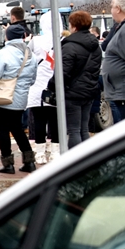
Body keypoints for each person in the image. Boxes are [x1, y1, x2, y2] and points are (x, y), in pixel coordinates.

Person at [0, 6, 39, 173]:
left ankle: (8, 163)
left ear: (7, 37)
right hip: (20, 99)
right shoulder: (31, 56)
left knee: (2, 130)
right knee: (18, 129)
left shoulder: (2, 54)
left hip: (1, 97)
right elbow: (32, 80)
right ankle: (29, 161)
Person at [47, 11, 102, 148]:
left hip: (72, 93)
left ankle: (75, 159)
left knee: (73, 130)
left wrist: (51, 85)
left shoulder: (69, 46)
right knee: (84, 128)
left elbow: (63, 73)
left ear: (74, 26)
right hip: (89, 91)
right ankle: (88, 157)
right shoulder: (96, 46)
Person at [26, 20, 57, 163]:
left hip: (37, 87)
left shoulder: (35, 41)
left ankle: (40, 153)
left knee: (39, 121)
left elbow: (26, 59)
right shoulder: (61, 40)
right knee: (55, 121)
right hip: (55, 86)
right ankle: (55, 152)